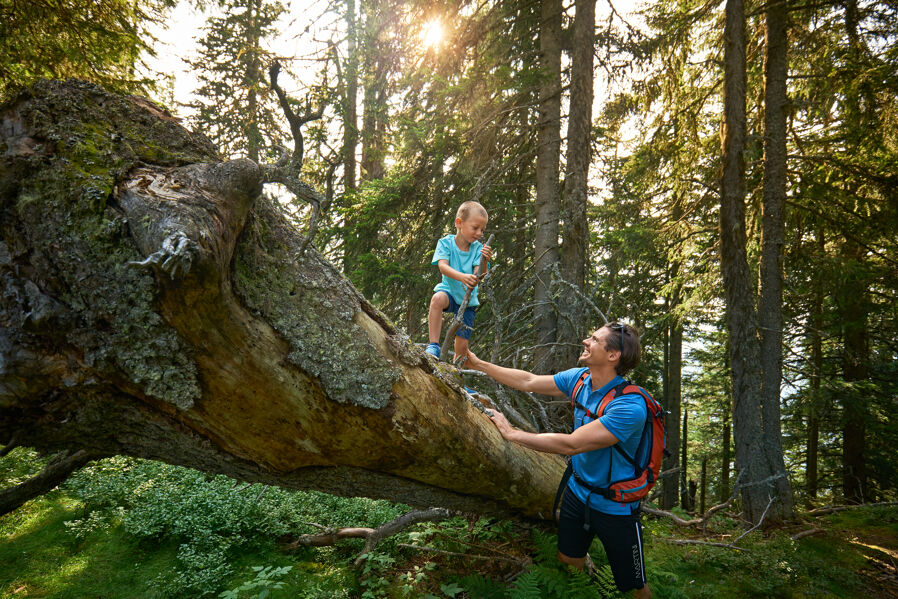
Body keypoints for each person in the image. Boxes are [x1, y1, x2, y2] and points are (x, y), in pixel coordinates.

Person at [466, 321, 652, 599]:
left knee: (635, 586)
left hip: (616, 507)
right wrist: (478, 363)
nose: (585, 342)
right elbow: (528, 381)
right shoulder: (581, 379)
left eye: (594, 339)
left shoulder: (629, 407)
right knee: (568, 559)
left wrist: (512, 433)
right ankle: (582, 593)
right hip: (578, 493)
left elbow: (571, 444)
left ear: (613, 356)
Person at [424, 201, 493, 361]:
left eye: (482, 230)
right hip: (448, 292)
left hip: (468, 301)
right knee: (437, 299)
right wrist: (462, 277)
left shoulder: (478, 249)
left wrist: (484, 261)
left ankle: (457, 374)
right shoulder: (445, 243)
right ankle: (433, 345)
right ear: (459, 223)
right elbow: (443, 266)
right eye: (475, 228)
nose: (479, 233)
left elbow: (479, 275)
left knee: (461, 347)